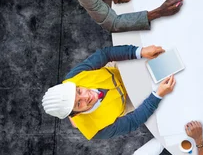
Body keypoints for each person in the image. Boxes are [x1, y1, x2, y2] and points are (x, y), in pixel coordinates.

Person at [41, 44, 175, 140]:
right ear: (75, 114)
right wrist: (157, 95)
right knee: (168, 92)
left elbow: (105, 54)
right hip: (125, 101)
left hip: (115, 71)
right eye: (79, 103)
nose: (87, 96)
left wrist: (140, 52)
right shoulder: (97, 130)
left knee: (162, 58)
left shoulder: (73, 78)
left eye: (79, 91)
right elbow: (134, 121)